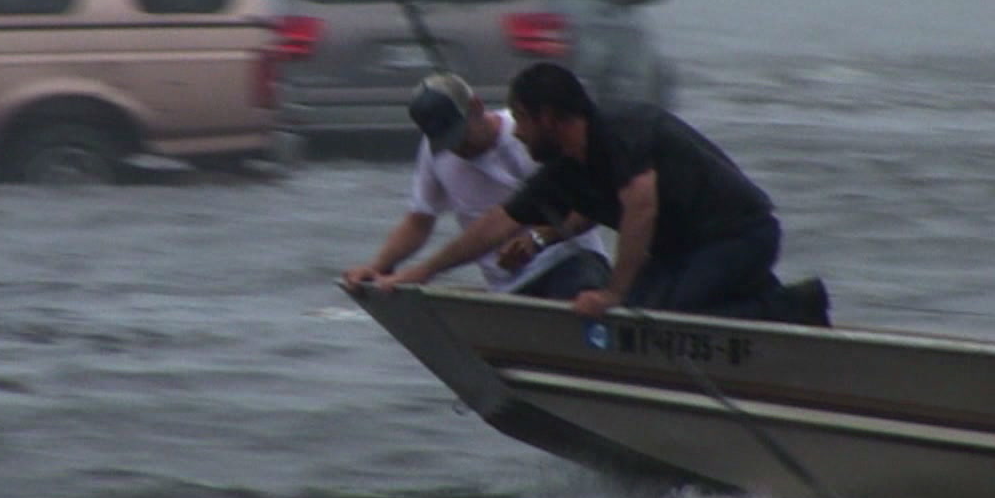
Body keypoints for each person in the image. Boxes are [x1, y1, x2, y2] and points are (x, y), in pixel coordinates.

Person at [375, 62, 828, 325]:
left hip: (740, 236)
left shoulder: (620, 132)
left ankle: (792, 306)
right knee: (628, 321)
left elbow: (640, 208)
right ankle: (754, 296)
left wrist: (612, 291)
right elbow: (498, 223)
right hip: (682, 253)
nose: (518, 133)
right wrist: (424, 271)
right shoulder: (565, 170)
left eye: (522, 119)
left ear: (547, 117)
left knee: (660, 321)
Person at [343, 72, 610, 299]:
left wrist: (537, 239)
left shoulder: (530, 137)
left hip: (569, 261)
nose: (457, 148)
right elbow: (419, 221)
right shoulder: (435, 152)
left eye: (460, 135)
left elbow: (588, 208)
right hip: (508, 286)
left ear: (477, 107)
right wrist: (379, 266)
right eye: (447, 142)